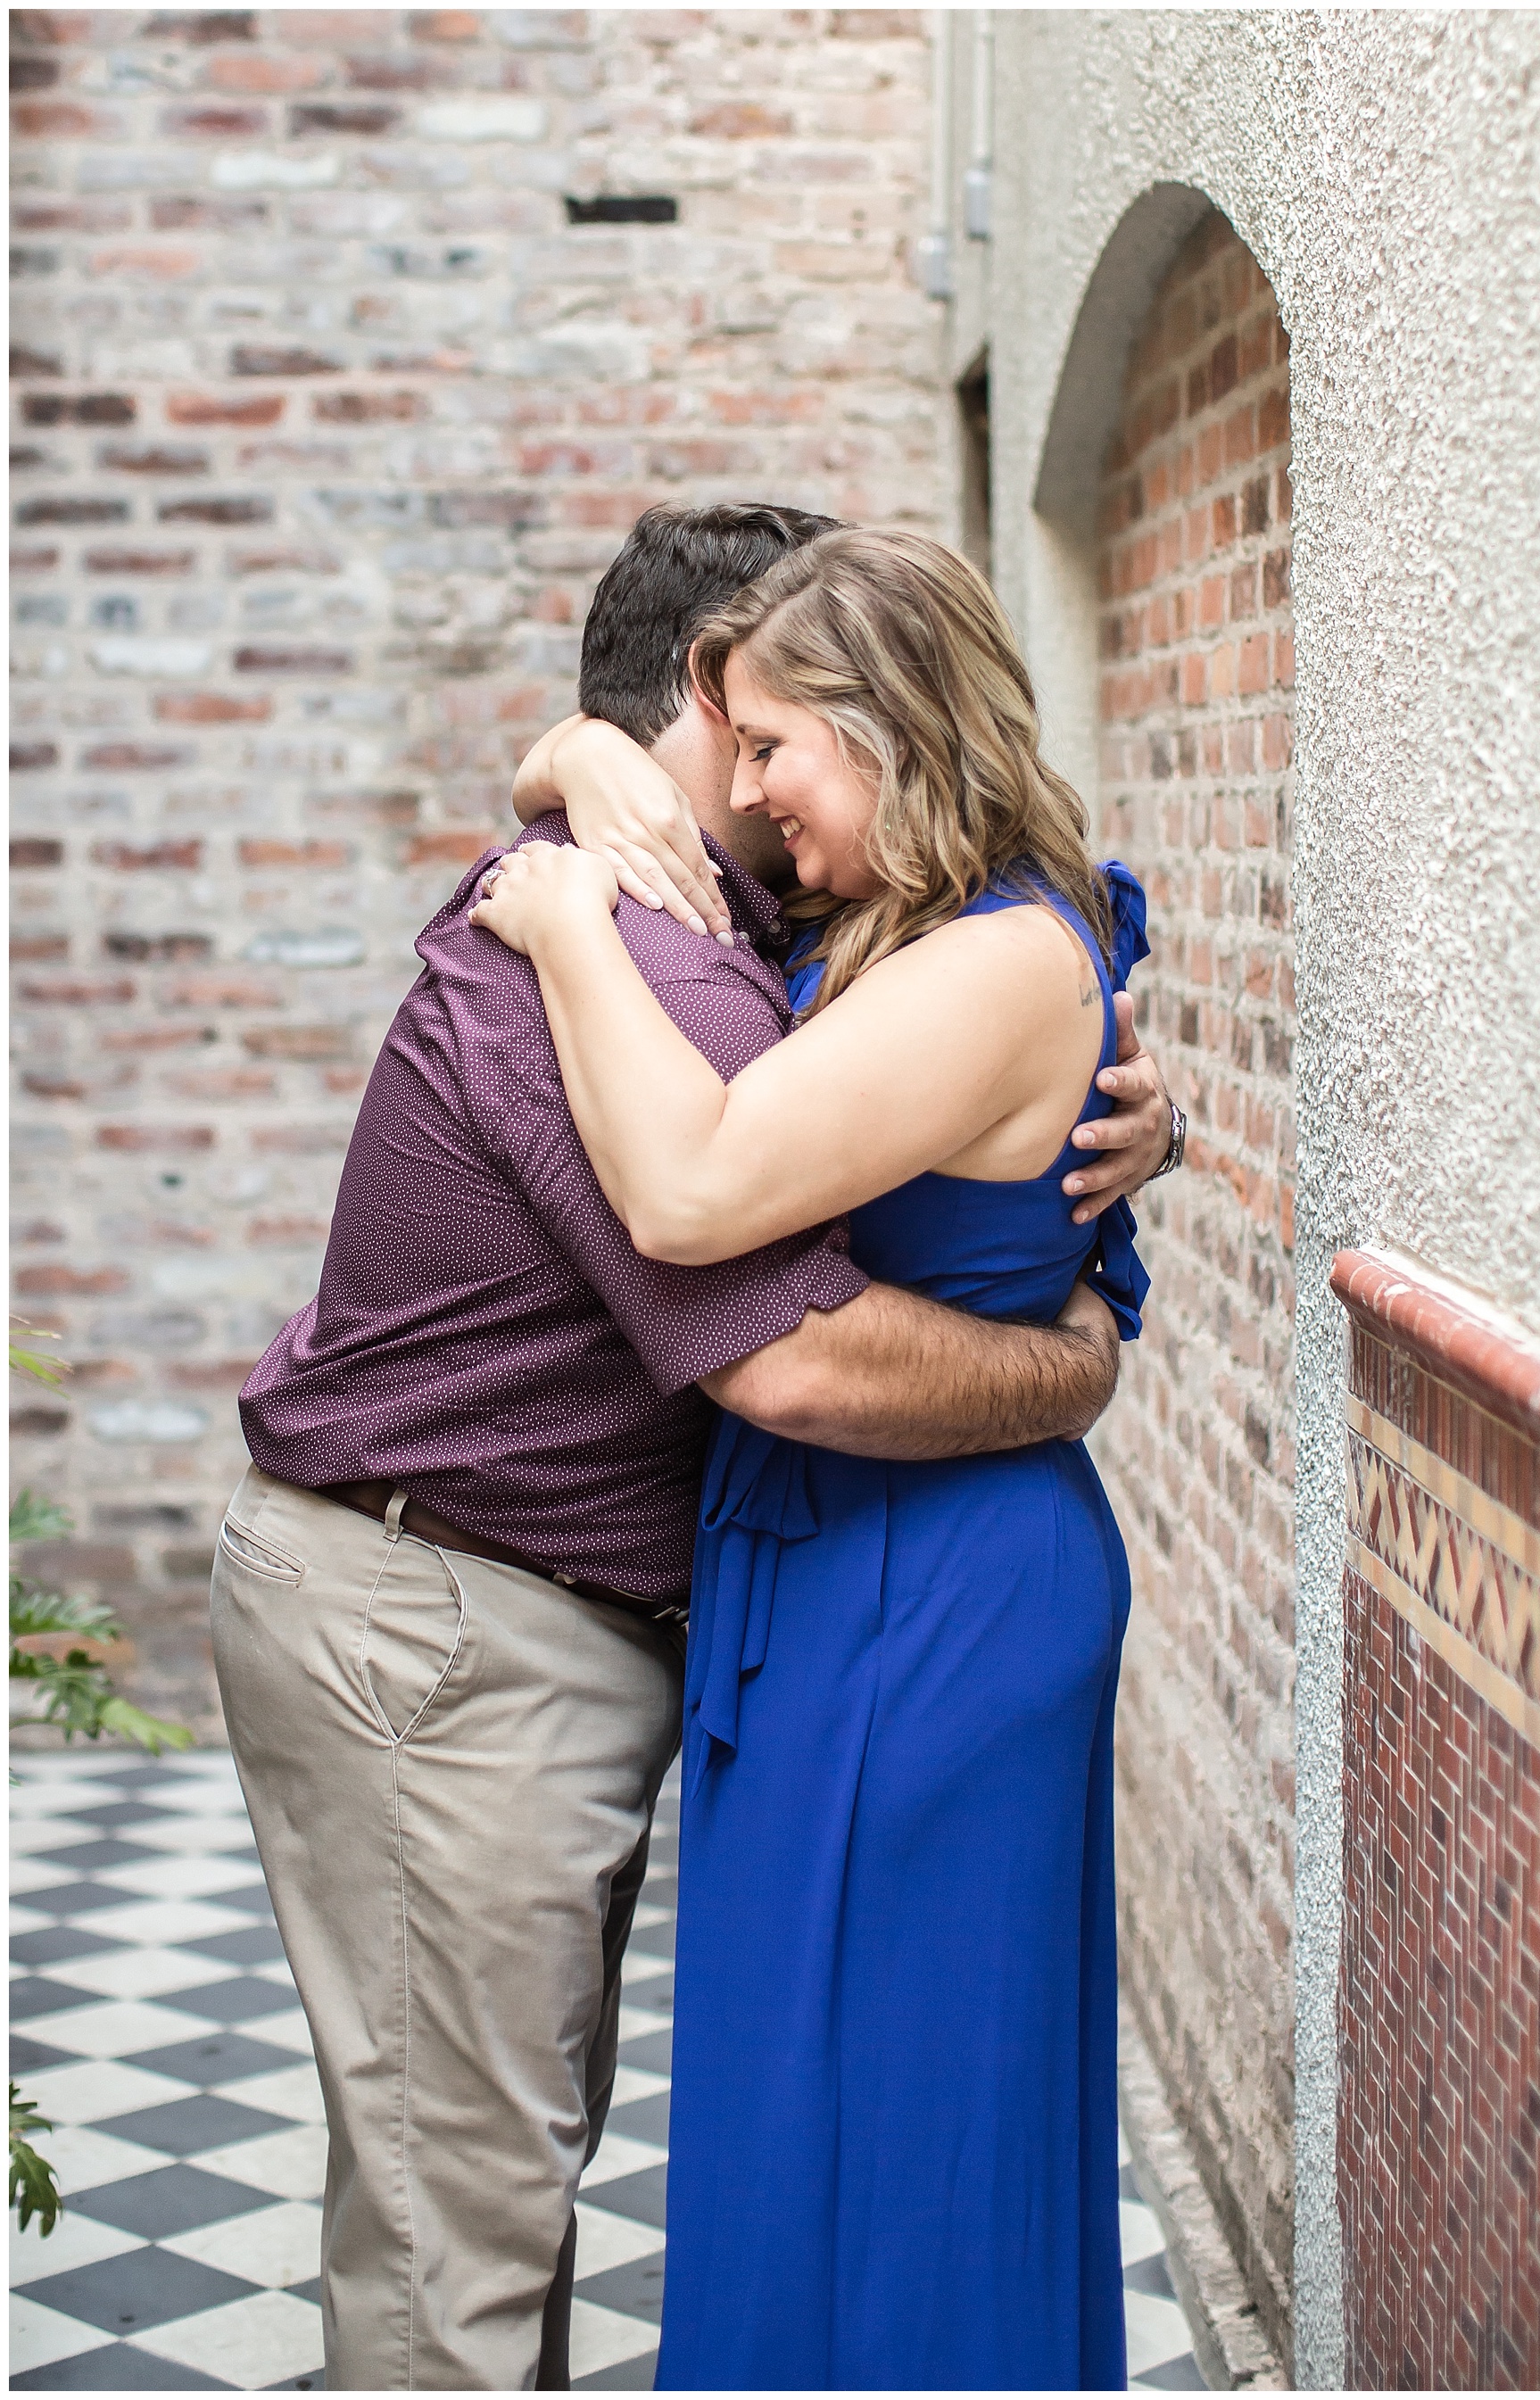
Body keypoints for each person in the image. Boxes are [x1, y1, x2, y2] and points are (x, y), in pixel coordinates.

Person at [211, 503, 1175, 2393]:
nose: (749, 779)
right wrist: (564, 840)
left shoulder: (760, 935)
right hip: (446, 1619)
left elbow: (829, 1205)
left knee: (839, 2151)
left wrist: (1079, 1304)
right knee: (471, 2231)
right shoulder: (639, 943)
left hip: (827, 1607)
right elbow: (785, 1353)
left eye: (777, 737)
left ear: (885, 721)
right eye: (724, 736)